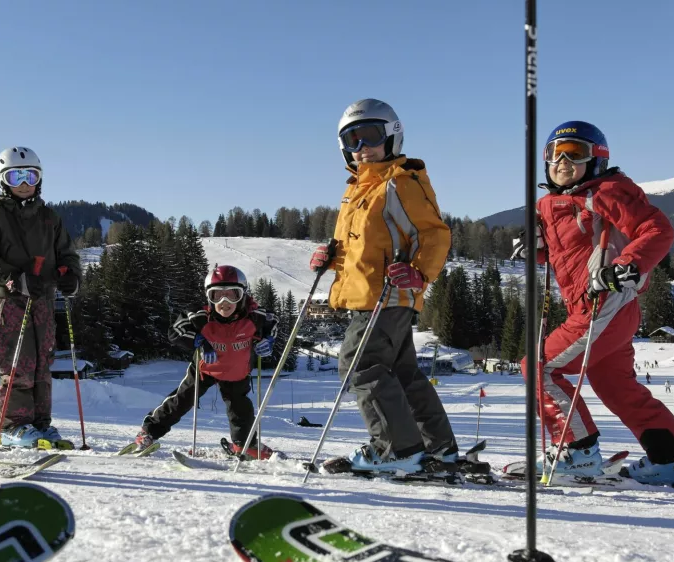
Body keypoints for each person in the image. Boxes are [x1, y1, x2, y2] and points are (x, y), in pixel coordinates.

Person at [512, 121, 674, 486]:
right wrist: (537, 247)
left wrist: (627, 265)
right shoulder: (552, 203)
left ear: (596, 160)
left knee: (538, 367)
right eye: (555, 154)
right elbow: (570, 252)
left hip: (604, 304)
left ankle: (577, 451)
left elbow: (657, 230)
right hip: (598, 308)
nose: (563, 162)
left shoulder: (607, 192)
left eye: (575, 153)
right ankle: (673, 460)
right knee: (614, 384)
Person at [309, 99, 458, 477]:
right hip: (369, 295)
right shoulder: (359, 189)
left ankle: (396, 449)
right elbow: (359, 248)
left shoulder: (399, 182)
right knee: (402, 372)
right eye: (351, 139)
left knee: (359, 364)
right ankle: (435, 447)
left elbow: (435, 235)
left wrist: (420, 273)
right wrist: (331, 258)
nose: (361, 148)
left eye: (370, 136)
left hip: (388, 294)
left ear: (392, 135)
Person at [0, 147, 81, 449]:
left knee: (42, 363)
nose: (24, 182)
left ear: (39, 179)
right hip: (10, 300)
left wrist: (70, 274)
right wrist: (13, 278)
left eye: (30, 175)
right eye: (16, 176)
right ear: (3, 180)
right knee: (17, 363)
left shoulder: (49, 217)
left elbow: (66, 253)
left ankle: (40, 424)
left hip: (43, 299)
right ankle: (12, 425)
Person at [133, 265, 278, 459]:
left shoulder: (255, 316)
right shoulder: (200, 315)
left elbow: (273, 323)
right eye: (217, 295)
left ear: (242, 295)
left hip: (237, 372)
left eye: (232, 295)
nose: (224, 302)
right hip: (205, 369)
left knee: (241, 410)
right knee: (182, 400)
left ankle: (245, 444)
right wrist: (198, 341)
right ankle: (149, 432)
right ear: (208, 297)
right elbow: (175, 331)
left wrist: (268, 340)